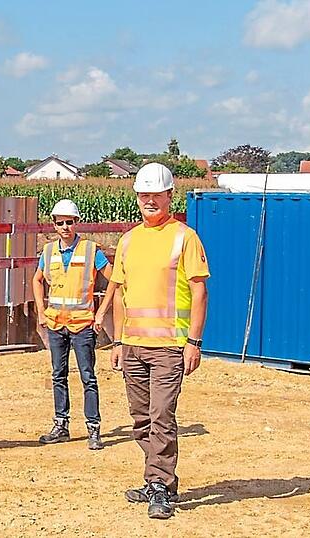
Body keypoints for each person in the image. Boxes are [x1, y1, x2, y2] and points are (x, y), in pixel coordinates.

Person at [94, 162, 210, 520]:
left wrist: (194, 341)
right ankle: (159, 479)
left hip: (169, 347)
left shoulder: (184, 238)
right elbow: (120, 293)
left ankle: (158, 484)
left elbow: (200, 291)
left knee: (162, 416)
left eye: (155, 194)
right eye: (143, 195)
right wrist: (117, 343)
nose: (149, 201)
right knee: (141, 419)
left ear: (169, 196)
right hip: (132, 346)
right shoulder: (129, 240)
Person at [32, 199, 112, 450]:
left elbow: (115, 280)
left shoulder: (91, 250)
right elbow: (37, 280)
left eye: (69, 222)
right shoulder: (48, 252)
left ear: (77, 222)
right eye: (60, 223)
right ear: (54, 225)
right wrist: (41, 311)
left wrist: (101, 314)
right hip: (56, 324)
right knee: (59, 375)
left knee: (88, 377)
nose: (65, 227)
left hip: (83, 325)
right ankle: (61, 425)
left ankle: (93, 429)